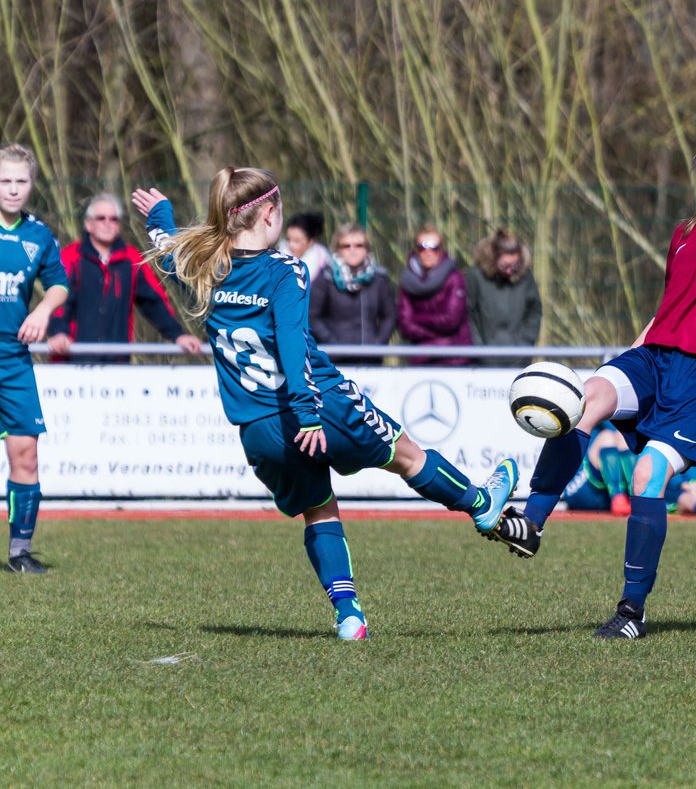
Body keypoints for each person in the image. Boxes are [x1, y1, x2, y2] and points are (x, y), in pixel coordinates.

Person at [133, 168, 519, 639]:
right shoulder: (284, 270)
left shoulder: (203, 266)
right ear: (270, 213)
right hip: (318, 406)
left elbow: (167, 251)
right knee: (408, 456)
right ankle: (480, 503)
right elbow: (293, 346)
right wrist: (309, 413)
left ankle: (349, 616)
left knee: (319, 509)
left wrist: (160, 217)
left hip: (258, 429)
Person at [485, 134, 696, 639]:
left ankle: (630, 613)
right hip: (656, 356)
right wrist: (635, 349)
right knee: (585, 400)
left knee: (648, 477)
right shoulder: (686, 231)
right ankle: (532, 523)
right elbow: (674, 303)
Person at [0, 144, 68, 574]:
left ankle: (18, 554)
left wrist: (43, 309)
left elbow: (58, 284)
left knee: (26, 454)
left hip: (13, 361)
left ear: (31, 184)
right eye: (4, 180)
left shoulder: (38, 235)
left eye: (20, 181)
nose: (11, 189)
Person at [47, 193, 202, 363]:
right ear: (88, 224)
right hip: (72, 360)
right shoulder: (70, 257)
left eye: (113, 219)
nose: (107, 224)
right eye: (101, 218)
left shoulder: (132, 259)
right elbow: (57, 302)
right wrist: (58, 333)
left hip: (117, 362)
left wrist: (177, 335)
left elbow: (154, 302)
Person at [308, 223, 396, 365]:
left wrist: (379, 343)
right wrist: (333, 344)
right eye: (346, 246)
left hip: (371, 360)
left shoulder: (379, 279)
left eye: (359, 245)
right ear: (337, 249)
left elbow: (390, 316)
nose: (353, 250)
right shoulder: (325, 278)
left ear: (367, 248)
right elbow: (312, 317)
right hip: (334, 361)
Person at [396, 225, 471, 365]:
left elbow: (451, 320)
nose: (428, 252)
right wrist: (433, 333)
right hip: (420, 358)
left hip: (454, 358)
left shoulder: (455, 278)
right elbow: (405, 324)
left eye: (434, 247)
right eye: (422, 247)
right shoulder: (407, 280)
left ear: (441, 250)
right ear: (416, 251)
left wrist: (417, 319)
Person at [465, 229, 541, 364]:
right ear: (493, 257)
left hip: (519, 358)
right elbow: (466, 314)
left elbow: (534, 311)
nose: (511, 270)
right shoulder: (475, 276)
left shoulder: (525, 277)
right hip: (483, 359)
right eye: (505, 265)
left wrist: (525, 343)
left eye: (515, 265)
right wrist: (478, 348)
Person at [561, 424, 634, 515]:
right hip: (584, 490)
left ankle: (635, 499)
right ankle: (621, 498)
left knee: (627, 438)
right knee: (608, 437)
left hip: (615, 493)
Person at [283, 212, 331, 280]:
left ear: (311, 241)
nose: (290, 245)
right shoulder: (278, 258)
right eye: (288, 239)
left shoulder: (324, 269)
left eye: (296, 241)